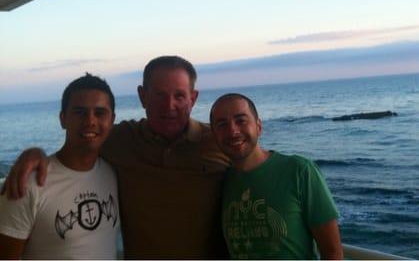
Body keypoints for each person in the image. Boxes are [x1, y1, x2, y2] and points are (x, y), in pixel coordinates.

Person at [2, 56, 230, 259]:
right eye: (159, 94)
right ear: (142, 96)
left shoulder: (218, 141)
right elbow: (82, 143)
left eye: (179, 95)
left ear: (193, 98)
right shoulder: (121, 140)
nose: (169, 105)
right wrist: (34, 154)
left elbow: (255, 164)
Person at [209, 93, 343, 259]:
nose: (233, 131)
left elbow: (332, 252)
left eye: (241, 120)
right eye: (222, 124)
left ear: (259, 126)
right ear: (214, 134)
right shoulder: (221, 182)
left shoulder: (299, 171)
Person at [0, 73, 119, 259]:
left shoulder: (113, 172)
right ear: (63, 119)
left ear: (112, 120)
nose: (90, 121)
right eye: (79, 112)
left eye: (100, 113)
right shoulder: (28, 183)